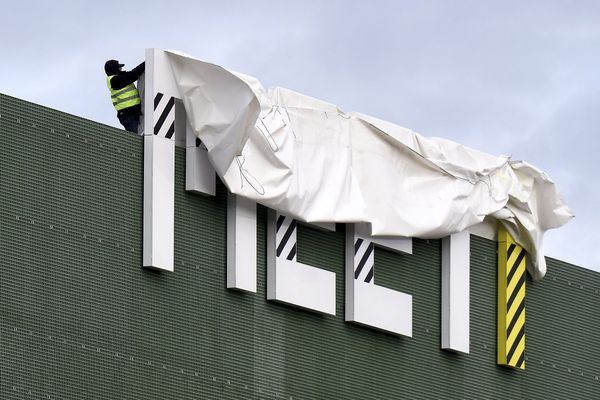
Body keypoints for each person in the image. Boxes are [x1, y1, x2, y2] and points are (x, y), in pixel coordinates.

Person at [104, 60, 145, 133]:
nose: (121, 69)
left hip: (132, 113)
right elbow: (133, 75)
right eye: (119, 67)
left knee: (140, 138)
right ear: (114, 69)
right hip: (128, 115)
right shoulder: (114, 80)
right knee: (136, 140)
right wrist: (146, 62)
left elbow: (131, 74)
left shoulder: (118, 78)